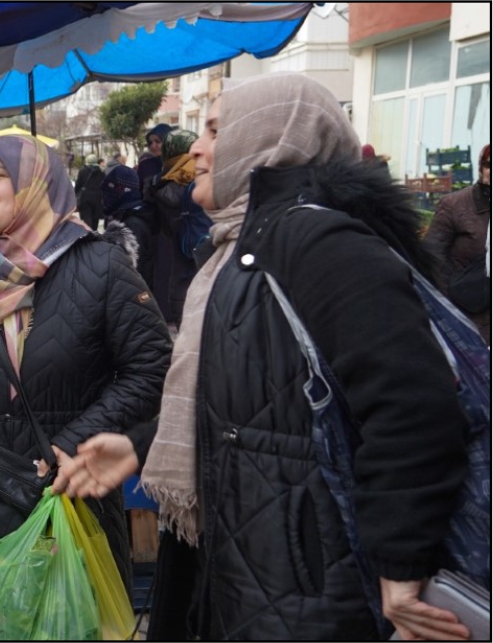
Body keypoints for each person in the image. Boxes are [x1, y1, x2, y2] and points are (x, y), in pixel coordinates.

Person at [131, 72, 472, 640]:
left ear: (273, 138)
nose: (195, 146)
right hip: (255, 573)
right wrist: (138, 445)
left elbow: (413, 405)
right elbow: (257, 404)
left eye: (216, 129)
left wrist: (401, 561)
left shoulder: (316, 241)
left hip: (314, 590)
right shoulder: (238, 247)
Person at [0, 134, 172, 640]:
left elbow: (153, 369)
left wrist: (70, 440)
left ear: (34, 185)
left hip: (64, 497)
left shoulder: (101, 265)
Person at [424, 143, 490, 345]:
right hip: (465, 317)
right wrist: (448, 312)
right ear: (480, 168)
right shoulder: (455, 205)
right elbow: (431, 259)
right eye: (488, 164)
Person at [145, 128, 203, 328]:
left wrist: (153, 187)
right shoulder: (206, 170)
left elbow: (169, 216)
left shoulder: (173, 178)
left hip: (185, 255)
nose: (155, 147)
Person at [101, 164, 158, 292]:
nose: (104, 199)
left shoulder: (132, 224)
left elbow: (129, 273)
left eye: (107, 193)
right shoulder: (131, 216)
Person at [137, 123, 173, 190]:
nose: (153, 146)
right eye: (150, 142)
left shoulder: (182, 164)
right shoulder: (145, 165)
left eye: (158, 141)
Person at [74, 153, 105, 229]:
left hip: (86, 196)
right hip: (98, 196)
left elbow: (78, 184)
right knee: (95, 217)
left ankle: (88, 232)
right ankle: (94, 232)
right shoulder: (101, 170)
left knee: (86, 216)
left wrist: (74, 194)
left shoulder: (83, 170)